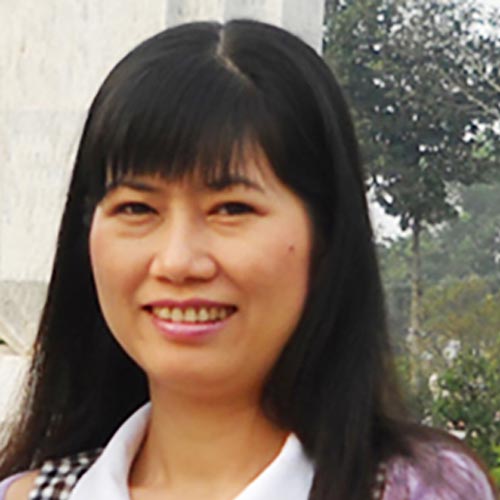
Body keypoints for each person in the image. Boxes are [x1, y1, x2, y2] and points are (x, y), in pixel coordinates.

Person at [0, 19, 496, 500]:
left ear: (326, 235)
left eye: (232, 208)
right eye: (137, 208)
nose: (177, 262)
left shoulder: (419, 492)